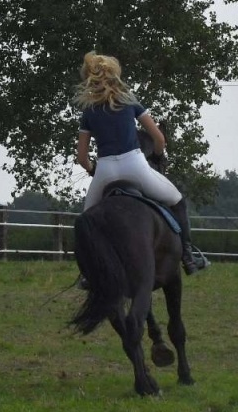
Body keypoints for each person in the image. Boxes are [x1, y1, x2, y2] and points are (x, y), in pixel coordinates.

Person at [75, 53, 210, 275]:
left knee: (86, 222)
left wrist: (92, 170)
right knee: (177, 201)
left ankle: (85, 273)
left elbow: (82, 157)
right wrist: (157, 156)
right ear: (115, 74)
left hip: (106, 170)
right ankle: (188, 255)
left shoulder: (89, 111)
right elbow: (159, 139)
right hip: (136, 166)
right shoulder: (130, 102)